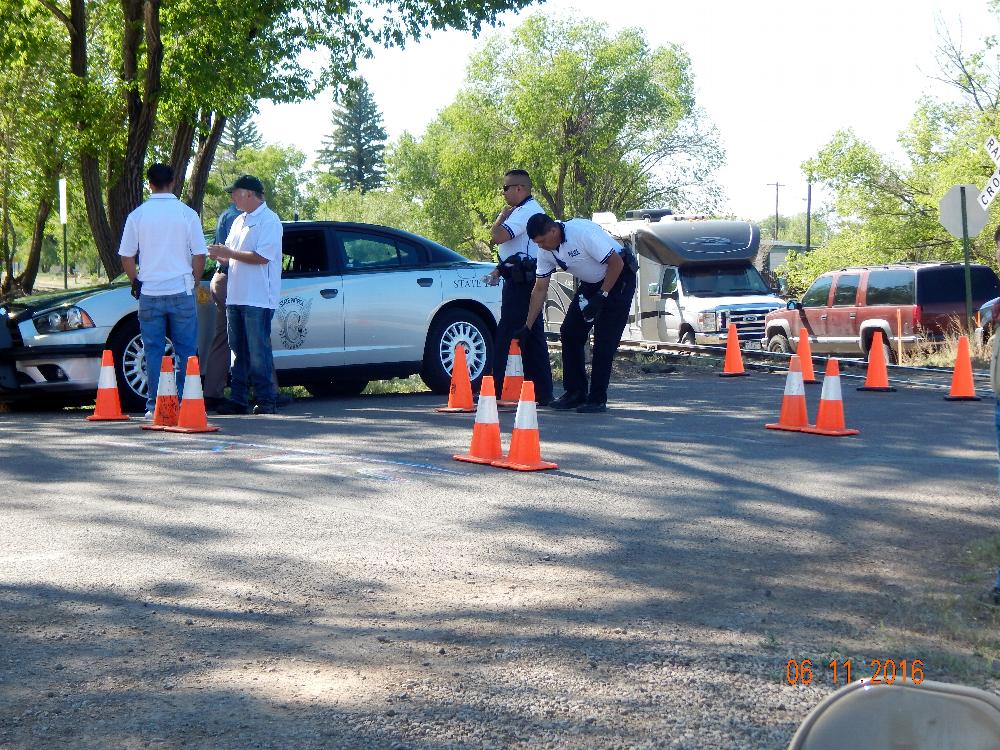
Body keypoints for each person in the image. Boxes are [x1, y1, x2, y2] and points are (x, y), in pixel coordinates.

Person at [521, 212, 637, 414]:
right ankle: (575, 393)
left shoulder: (581, 233)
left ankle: (597, 399)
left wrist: (602, 296)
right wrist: (527, 326)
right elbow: (540, 289)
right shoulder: (546, 251)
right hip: (592, 284)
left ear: (553, 230)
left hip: (618, 279)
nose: (541, 246)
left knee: (604, 341)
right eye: (537, 243)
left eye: (542, 241)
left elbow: (616, 263)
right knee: (570, 332)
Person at [118, 163, 207, 417]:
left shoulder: (137, 215)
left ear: (149, 184)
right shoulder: (187, 214)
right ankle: (186, 403)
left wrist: (135, 280)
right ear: (173, 182)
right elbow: (199, 254)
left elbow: (126, 256)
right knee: (186, 350)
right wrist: (194, 280)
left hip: (150, 292)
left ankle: (155, 406)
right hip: (181, 289)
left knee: (153, 350)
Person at [207, 175, 283, 415]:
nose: (232, 197)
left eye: (235, 192)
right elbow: (230, 256)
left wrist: (229, 252)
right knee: (237, 349)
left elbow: (261, 257)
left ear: (249, 194)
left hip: (258, 297)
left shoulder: (270, 221)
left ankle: (266, 399)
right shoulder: (239, 220)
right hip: (236, 295)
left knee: (258, 350)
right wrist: (217, 254)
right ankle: (239, 398)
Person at [486, 169, 553, 405]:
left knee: (506, 333)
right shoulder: (526, 210)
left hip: (522, 282)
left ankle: (493, 391)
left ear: (520, 188)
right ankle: (542, 392)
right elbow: (510, 251)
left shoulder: (525, 211)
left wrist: (501, 217)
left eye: (506, 188)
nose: (503, 193)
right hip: (519, 277)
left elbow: (497, 237)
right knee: (530, 334)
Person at [202, 198, 241, 409]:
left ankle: (212, 392)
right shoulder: (242, 219)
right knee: (256, 335)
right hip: (233, 279)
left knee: (223, 337)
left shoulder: (226, 215)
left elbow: (216, 251)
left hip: (220, 277)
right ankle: (266, 391)